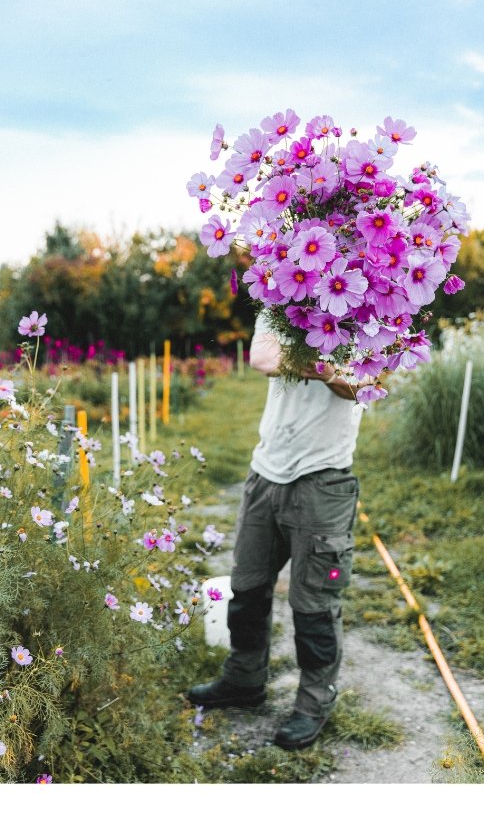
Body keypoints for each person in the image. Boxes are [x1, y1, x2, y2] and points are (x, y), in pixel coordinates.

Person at [185, 310, 364, 750]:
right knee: (247, 588)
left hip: (324, 481)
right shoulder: (281, 301)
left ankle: (313, 702)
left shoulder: (372, 309)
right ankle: (244, 679)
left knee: (314, 605)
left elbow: (363, 384)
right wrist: (327, 365)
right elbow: (263, 357)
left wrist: (314, 364)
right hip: (266, 472)